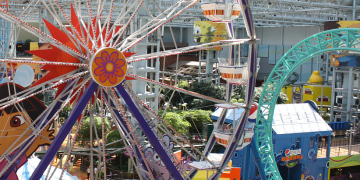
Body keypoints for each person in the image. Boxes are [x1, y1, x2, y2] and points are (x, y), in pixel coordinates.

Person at [0, 83, 54, 179]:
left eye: (15, 122)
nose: (4, 132)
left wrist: (38, 140)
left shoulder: (7, 160)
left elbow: (21, 155)